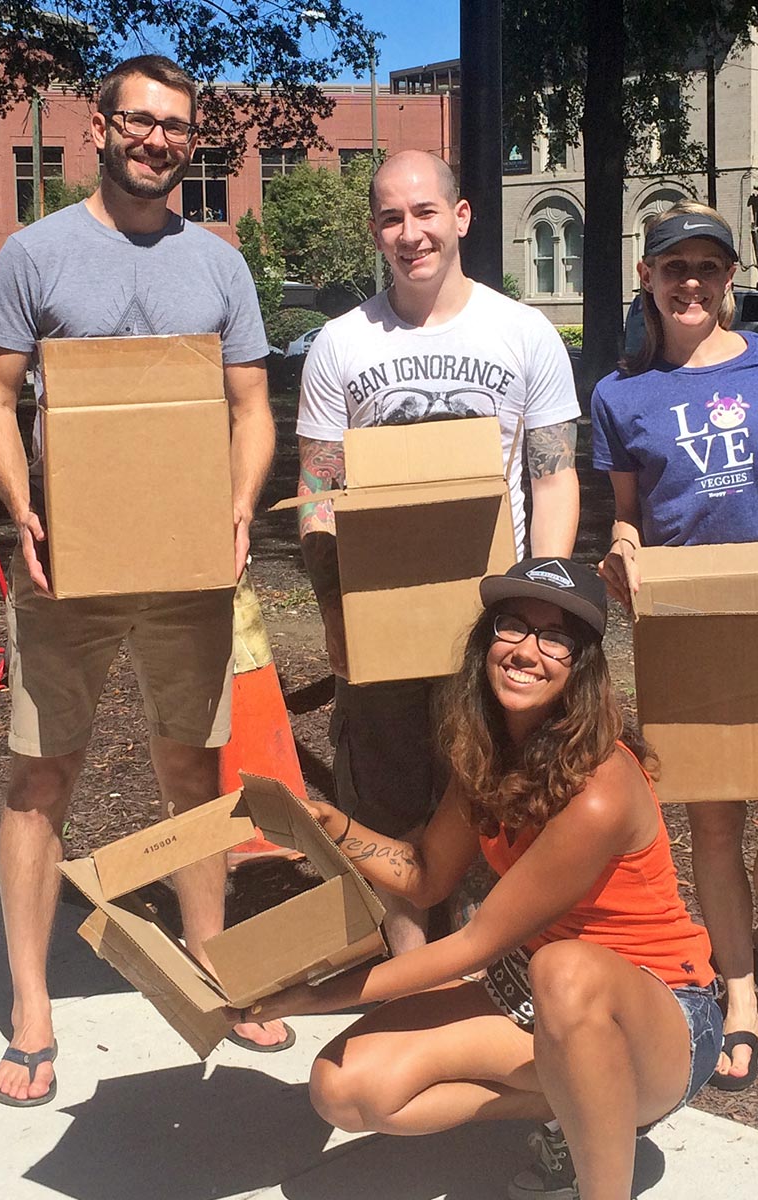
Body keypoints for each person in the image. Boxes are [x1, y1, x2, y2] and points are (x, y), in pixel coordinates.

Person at [0, 54, 284, 1107]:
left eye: (177, 128)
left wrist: (243, 504)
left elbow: (252, 408)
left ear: (192, 145)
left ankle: (215, 965)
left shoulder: (220, 265)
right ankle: (28, 1001)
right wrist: (23, 507)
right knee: (41, 776)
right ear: (97, 127)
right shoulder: (35, 253)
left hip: (190, 565)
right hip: (70, 566)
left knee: (195, 774)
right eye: (140, 122)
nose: (158, 140)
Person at [233, 558, 721, 1200]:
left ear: (583, 667)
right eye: (512, 626)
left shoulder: (599, 791)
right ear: (485, 642)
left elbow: (472, 945)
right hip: (540, 997)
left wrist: (312, 996)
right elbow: (429, 876)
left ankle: (603, 1177)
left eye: (555, 638)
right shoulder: (490, 754)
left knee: (565, 969)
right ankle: (578, 1109)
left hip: (661, 1017)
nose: (526, 650)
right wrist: (333, 828)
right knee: (345, 1088)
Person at [591, 201, 758, 1091]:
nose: (691, 282)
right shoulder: (620, 394)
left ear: (731, 277)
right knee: (712, 825)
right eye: (674, 267)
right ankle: (740, 987)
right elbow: (629, 515)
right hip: (691, 636)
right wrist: (623, 555)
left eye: (708, 266)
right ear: (648, 280)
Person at [296, 149, 581, 952]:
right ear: (375, 232)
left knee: (500, 809)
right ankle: (412, 991)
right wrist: (336, 616)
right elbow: (319, 495)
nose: (410, 233)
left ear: (460, 218)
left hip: (492, 621)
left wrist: (545, 611)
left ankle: (496, 985)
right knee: (386, 813)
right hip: (383, 619)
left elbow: (553, 479)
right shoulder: (340, 345)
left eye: (425, 213)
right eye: (391, 217)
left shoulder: (524, 333)